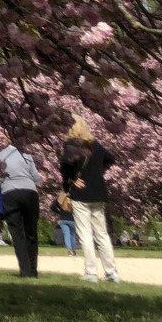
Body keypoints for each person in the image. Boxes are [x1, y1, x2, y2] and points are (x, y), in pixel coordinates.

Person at [60, 116, 119, 283]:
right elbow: (111, 159)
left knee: (85, 233)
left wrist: (72, 178)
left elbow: (64, 165)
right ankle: (111, 272)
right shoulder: (96, 146)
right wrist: (98, 173)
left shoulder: (71, 147)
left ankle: (91, 272)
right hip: (98, 192)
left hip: (82, 194)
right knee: (102, 234)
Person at [0, 139, 41, 279]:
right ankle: (33, 269)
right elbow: (36, 177)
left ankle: (25, 270)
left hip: (9, 193)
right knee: (31, 231)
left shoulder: (0, 155)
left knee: (17, 233)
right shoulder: (26, 154)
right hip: (29, 192)